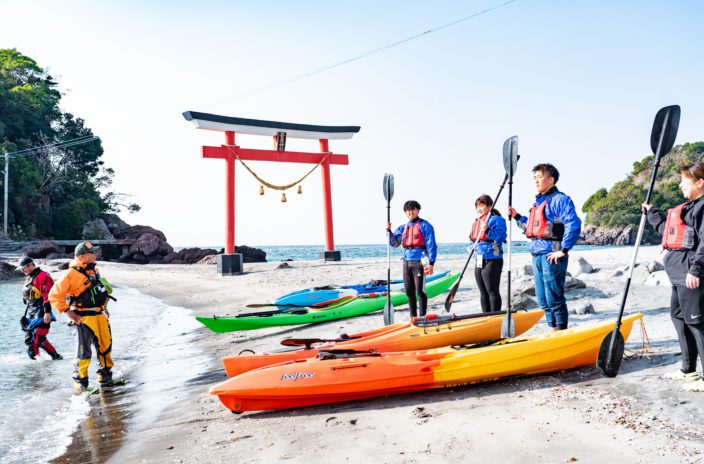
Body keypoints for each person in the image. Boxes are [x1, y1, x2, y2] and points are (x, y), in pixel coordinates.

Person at [644, 161, 704, 393]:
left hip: (691, 275)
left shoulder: (702, 208)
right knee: (679, 319)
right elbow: (668, 232)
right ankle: (688, 370)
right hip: (678, 275)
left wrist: (696, 270)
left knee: (698, 324)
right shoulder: (689, 207)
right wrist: (651, 214)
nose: (680, 185)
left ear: (700, 182)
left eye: (684, 181)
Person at [508, 163, 582, 330]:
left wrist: (563, 250)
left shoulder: (560, 199)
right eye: (534, 178)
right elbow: (531, 227)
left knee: (554, 298)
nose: (536, 181)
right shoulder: (537, 203)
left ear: (551, 179)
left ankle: (562, 330)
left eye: (540, 177)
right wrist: (516, 216)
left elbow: (574, 224)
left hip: (552, 254)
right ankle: (553, 329)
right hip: (537, 254)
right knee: (543, 299)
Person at [49, 242, 115, 389]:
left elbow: (99, 291)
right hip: (82, 318)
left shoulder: (95, 270)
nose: (95, 255)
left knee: (105, 347)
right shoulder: (70, 274)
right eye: (92, 253)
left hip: (99, 314)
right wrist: (68, 312)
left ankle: (105, 378)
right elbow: (54, 295)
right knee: (83, 351)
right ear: (82, 257)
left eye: (94, 252)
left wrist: (104, 307)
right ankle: (80, 384)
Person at [387, 200, 438, 318]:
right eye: (408, 210)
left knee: (420, 291)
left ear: (418, 210)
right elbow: (394, 243)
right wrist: (389, 231)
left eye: (413, 209)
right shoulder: (403, 228)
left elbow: (431, 245)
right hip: (406, 262)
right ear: (405, 212)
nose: (411, 212)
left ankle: (422, 317)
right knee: (409, 292)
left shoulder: (425, 225)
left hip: (419, 262)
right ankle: (413, 318)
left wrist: (431, 263)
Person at [17, 256, 62, 360]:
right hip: (31, 312)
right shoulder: (29, 277)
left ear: (30, 265)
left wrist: (47, 312)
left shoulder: (43, 276)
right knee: (29, 340)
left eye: (23, 268)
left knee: (38, 338)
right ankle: (35, 367)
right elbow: (28, 298)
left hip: (42, 311)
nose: (22, 270)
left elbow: (48, 296)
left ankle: (56, 357)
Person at [469, 194, 507, 313]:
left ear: (490, 206)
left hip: (492, 259)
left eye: (482, 205)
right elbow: (472, 240)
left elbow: (501, 238)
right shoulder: (477, 221)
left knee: (492, 291)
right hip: (479, 258)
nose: (479, 209)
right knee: (483, 291)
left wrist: (488, 230)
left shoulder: (498, 220)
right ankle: (485, 316)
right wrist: (470, 248)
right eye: (477, 206)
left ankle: (494, 316)